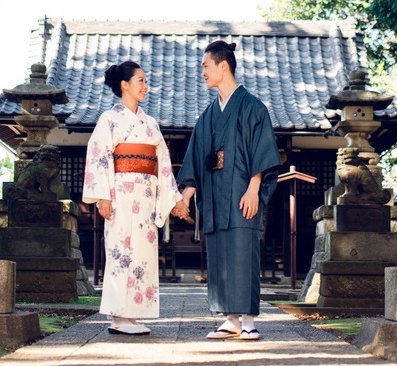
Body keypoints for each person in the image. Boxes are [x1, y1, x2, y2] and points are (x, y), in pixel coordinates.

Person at [178, 40, 280, 341]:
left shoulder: (252, 107)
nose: (203, 73)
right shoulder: (208, 116)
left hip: (241, 193)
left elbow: (263, 150)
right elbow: (195, 157)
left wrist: (254, 186)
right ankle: (229, 319)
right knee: (220, 255)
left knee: (243, 253)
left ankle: (248, 319)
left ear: (224, 66)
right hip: (213, 195)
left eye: (206, 67)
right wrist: (185, 196)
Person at [83, 61, 191, 335]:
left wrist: (174, 199)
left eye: (145, 80)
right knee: (120, 254)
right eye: (140, 80)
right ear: (124, 85)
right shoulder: (109, 119)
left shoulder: (150, 123)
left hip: (145, 197)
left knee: (142, 256)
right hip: (119, 195)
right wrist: (102, 196)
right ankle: (119, 316)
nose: (145, 86)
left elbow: (163, 164)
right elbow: (99, 157)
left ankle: (133, 315)